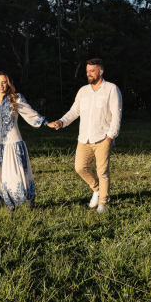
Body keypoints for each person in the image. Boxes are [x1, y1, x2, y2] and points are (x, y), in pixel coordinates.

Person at [48, 59, 122, 213]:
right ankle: (97, 189)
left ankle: (103, 203)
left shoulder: (111, 89)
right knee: (80, 167)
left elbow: (117, 114)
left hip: (103, 137)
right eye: (87, 71)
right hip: (84, 138)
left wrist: (110, 136)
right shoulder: (83, 91)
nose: (88, 74)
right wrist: (62, 121)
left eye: (92, 71)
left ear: (100, 72)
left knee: (102, 172)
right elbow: (75, 111)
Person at [0, 72, 49, 213]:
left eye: (3, 82)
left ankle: (16, 204)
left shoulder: (16, 98)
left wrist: (46, 122)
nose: (0, 85)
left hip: (13, 143)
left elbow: (30, 113)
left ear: (8, 83)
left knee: (14, 175)